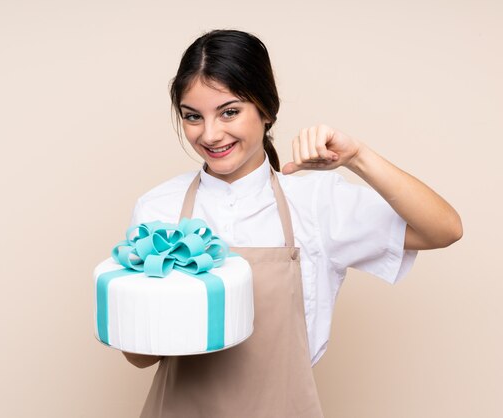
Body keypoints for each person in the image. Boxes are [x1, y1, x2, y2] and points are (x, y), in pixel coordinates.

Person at [122, 29, 462, 417]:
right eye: (193, 117)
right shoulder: (158, 209)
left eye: (229, 111)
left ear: (266, 110)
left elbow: (445, 229)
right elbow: (139, 357)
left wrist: (357, 157)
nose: (210, 134)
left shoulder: (315, 203)